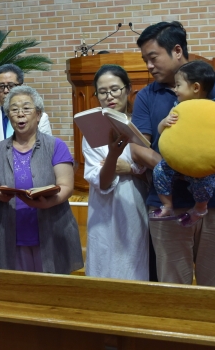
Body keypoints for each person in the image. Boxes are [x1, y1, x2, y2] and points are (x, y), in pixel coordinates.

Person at [131, 21, 215, 287]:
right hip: (168, 205)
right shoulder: (146, 96)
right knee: (173, 290)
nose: (149, 66)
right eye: (145, 60)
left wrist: (203, 158)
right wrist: (177, 165)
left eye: (153, 57)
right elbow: (138, 147)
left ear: (177, 51)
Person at [0, 86, 82, 273]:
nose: (20, 114)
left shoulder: (55, 146)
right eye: (14, 109)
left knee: (52, 284)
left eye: (26, 108)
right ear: (9, 116)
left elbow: (66, 186)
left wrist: (48, 202)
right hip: (13, 230)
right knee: (20, 285)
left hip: (52, 228)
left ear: (38, 115)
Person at [0, 64, 52, 265]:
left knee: (39, 259)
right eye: (1, 86)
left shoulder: (41, 117)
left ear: (21, 86)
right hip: (0, 198)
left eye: (11, 85)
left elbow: (44, 153)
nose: (6, 90)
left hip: (34, 197)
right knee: (4, 259)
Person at [150, 60, 215, 227]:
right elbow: (162, 131)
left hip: (203, 160)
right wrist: (164, 122)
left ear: (196, 87)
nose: (175, 89)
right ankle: (167, 205)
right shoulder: (177, 108)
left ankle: (200, 208)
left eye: (178, 85)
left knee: (205, 182)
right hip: (176, 158)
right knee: (159, 171)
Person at [82, 64, 149, 281]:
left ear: (127, 89)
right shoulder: (92, 130)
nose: (109, 96)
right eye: (102, 92)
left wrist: (129, 168)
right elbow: (102, 182)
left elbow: (153, 168)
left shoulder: (141, 124)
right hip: (105, 211)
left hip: (136, 204)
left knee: (135, 266)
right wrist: (113, 157)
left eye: (115, 89)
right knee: (105, 265)